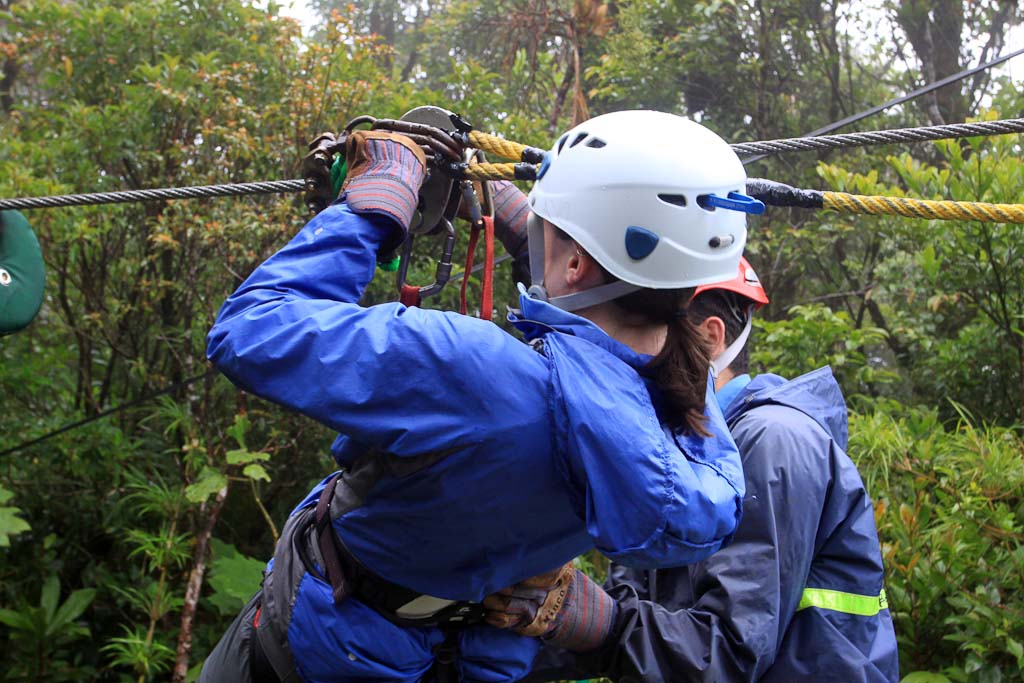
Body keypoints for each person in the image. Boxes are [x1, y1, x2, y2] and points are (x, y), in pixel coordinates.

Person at [200, 110, 765, 683]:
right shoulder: (685, 405)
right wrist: (530, 230)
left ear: (575, 262)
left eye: (550, 226)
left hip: (311, 652)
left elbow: (252, 328)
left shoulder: (468, 370)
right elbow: (594, 345)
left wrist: (373, 207)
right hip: (462, 661)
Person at [490, 257, 900, 681]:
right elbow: (629, 613)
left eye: (638, 334)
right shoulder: (677, 465)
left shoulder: (771, 441)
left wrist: (587, 618)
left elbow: (723, 654)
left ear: (709, 339)